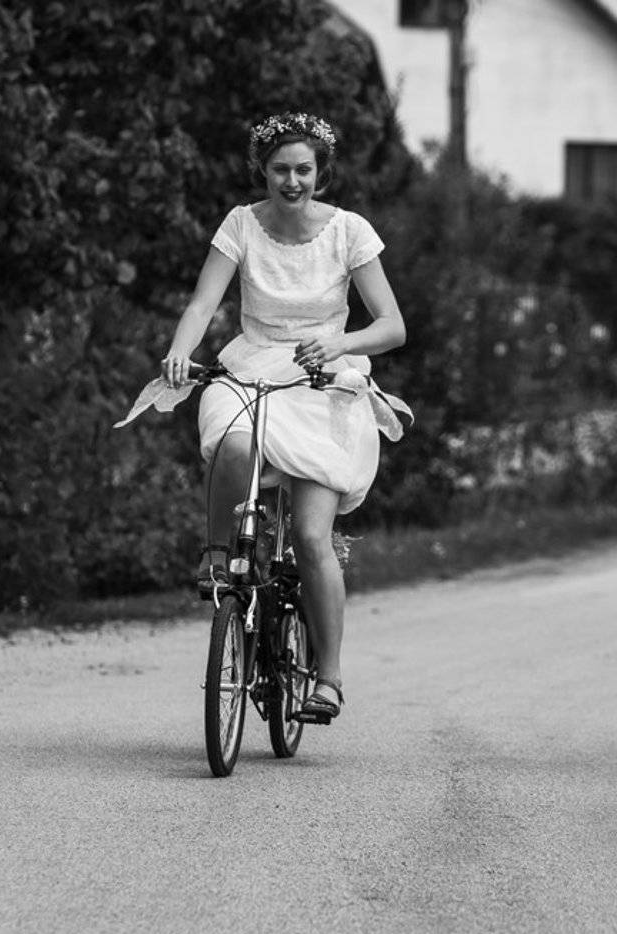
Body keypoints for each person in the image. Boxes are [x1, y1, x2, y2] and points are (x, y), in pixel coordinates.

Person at [160, 111, 407, 723]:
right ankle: (219, 556)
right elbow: (203, 303)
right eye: (280, 170)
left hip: (322, 382)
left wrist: (341, 344)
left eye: (303, 170)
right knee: (232, 442)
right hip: (252, 368)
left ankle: (328, 679)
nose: (292, 181)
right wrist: (180, 352)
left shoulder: (349, 231)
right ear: (263, 171)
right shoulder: (241, 225)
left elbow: (392, 326)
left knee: (311, 537)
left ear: (321, 173)